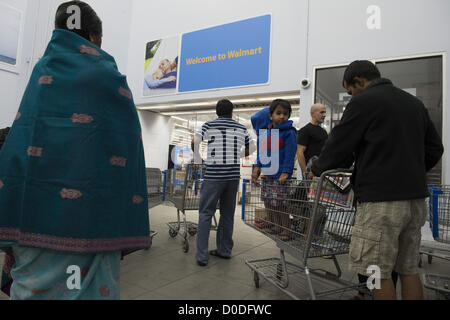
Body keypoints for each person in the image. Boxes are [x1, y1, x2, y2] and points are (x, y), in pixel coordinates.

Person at [0, 1, 150, 300]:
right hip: (92, 218)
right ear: (94, 37)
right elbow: (128, 139)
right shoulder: (107, 75)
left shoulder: (43, 70)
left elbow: (24, 133)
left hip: (33, 214)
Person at [311, 60, 444, 300]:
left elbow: (338, 148)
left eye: (351, 91)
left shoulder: (363, 102)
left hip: (380, 204)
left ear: (359, 82)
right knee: (408, 268)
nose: (351, 96)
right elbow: (435, 149)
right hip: (415, 200)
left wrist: (318, 168)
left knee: (376, 273)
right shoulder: (414, 103)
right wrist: (409, 170)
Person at [193, 100, 253, 267]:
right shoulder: (241, 128)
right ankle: (224, 251)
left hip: (213, 176)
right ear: (232, 111)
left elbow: (195, 141)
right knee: (227, 214)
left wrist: (200, 158)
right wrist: (238, 156)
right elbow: (253, 147)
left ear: (217, 111)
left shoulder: (209, 125)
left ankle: (202, 256)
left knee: (205, 214)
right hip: (232, 176)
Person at [251, 100, 298, 241]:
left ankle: (287, 230)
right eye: (278, 113)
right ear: (271, 116)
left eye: (285, 113)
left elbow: (290, 153)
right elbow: (261, 154)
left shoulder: (289, 133)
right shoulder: (266, 134)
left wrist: (286, 172)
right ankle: (277, 226)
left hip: (280, 177)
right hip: (268, 175)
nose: (282, 116)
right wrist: (256, 170)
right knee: (270, 204)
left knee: (281, 206)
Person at [297, 104, 328, 178]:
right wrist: (306, 173)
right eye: (322, 112)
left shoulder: (323, 131)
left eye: (325, 112)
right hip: (311, 172)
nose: (324, 115)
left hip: (321, 171)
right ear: (312, 113)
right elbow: (299, 152)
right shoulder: (305, 130)